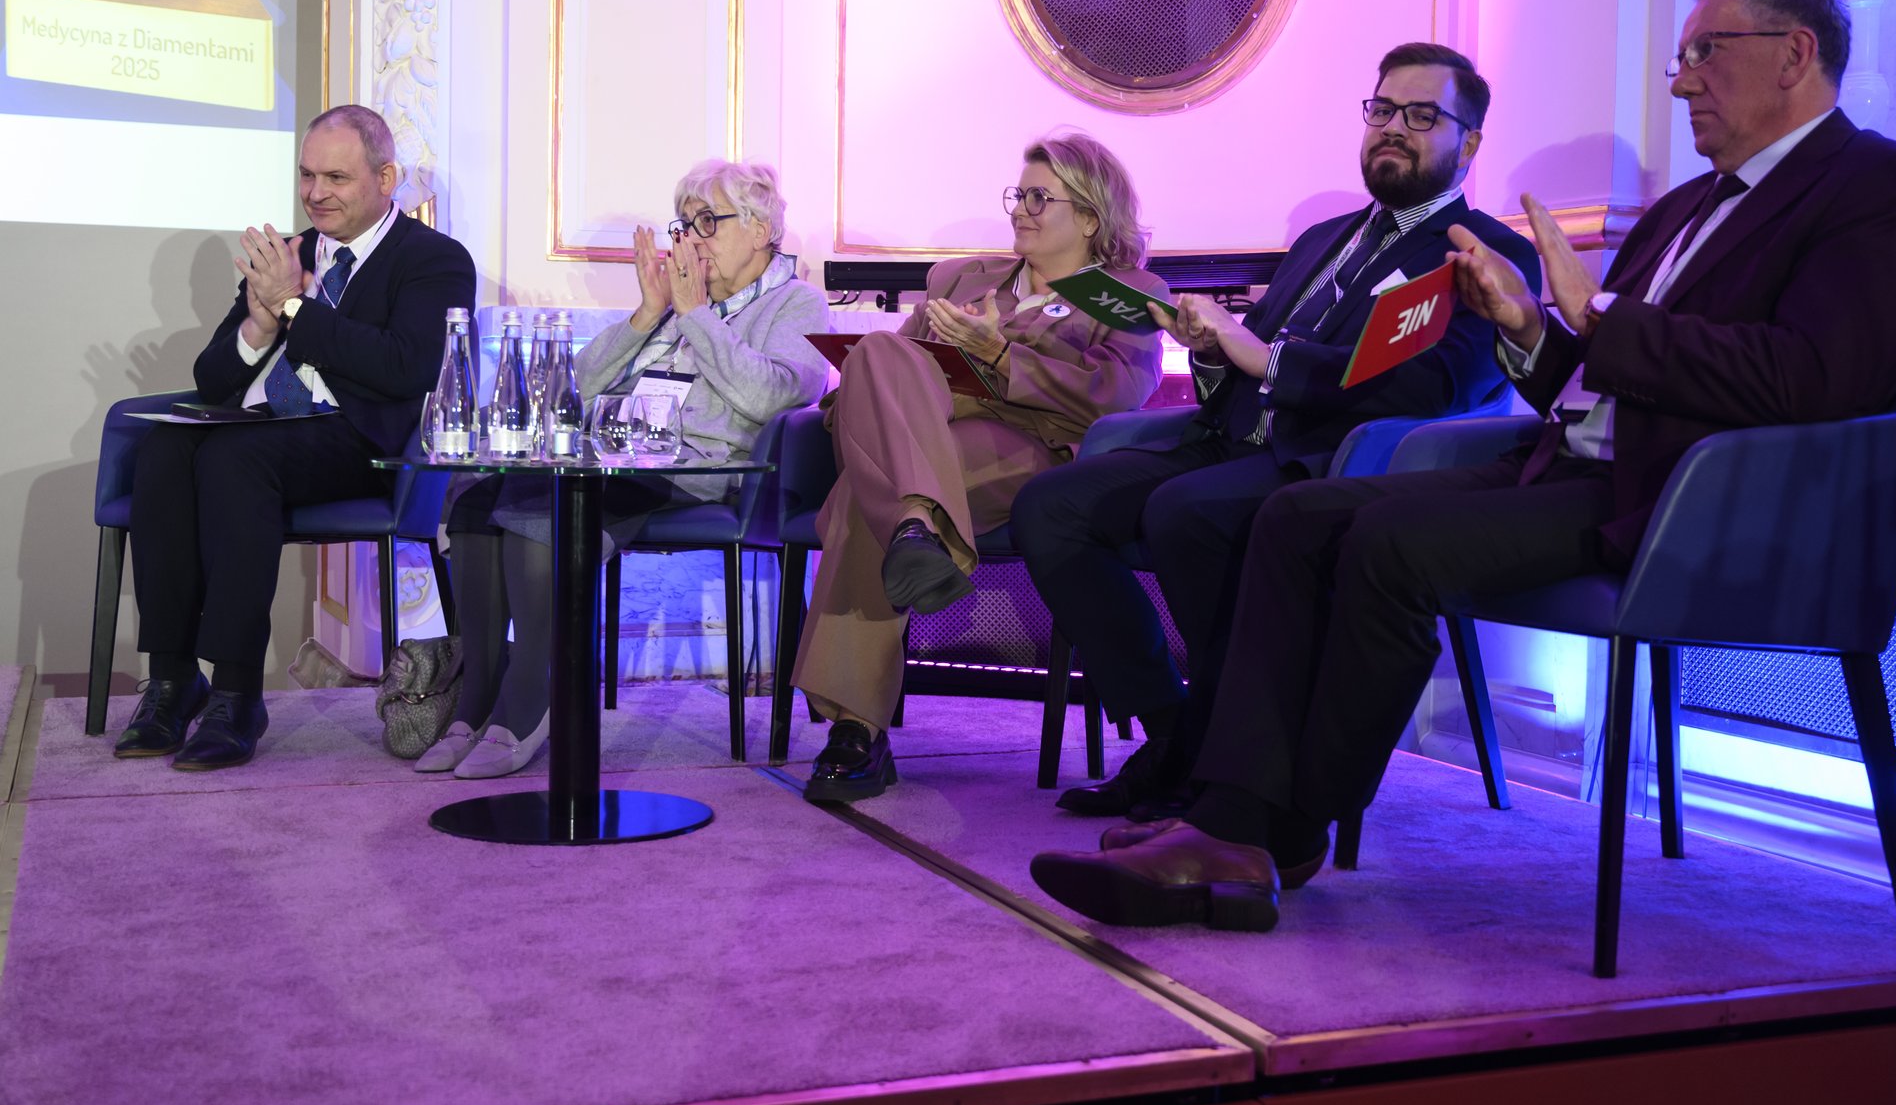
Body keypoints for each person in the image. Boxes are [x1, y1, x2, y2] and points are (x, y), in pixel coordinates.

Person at [1027, 0, 1896, 931]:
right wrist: (1525, 327)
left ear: (1793, 54)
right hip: (1570, 464)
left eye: (1703, 53)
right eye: (1680, 59)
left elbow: (1814, 378)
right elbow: (1588, 379)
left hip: (1690, 499)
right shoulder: (1686, 206)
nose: (1681, 82)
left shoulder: (1879, 186)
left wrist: (1597, 316)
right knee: (1296, 518)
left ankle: (1263, 824)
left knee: (1385, 545)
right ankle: (1246, 820)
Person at [1011, 44, 1539, 821]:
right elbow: (1242, 350)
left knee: (1186, 512)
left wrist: (1271, 359)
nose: (1394, 127)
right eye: (1383, 109)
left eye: (1423, 115)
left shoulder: (1486, 253)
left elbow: (1437, 386)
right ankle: (1174, 729)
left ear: (1470, 143)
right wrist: (1207, 347)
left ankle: (1219, 759)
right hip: (1226, 440)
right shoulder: (1322, 239)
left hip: (1330, 462)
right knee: (1049, 507)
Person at [420, 160, 830, 777]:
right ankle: (475, 702)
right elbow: (568, 392)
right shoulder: (677, 301)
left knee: (539, 510)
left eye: (708, 222)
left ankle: (528, 701)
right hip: (619, 452)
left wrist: (695, 317)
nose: (690, 240)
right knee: (478, 497)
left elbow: (773, 396)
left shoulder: (794, 303)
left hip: (697, 468)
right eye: (683, 225)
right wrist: (647, 314)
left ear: (759, 228)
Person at [796, 132, 1168, 803]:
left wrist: (999, 356)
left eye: (1038, 198)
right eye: (1017, 195)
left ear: (1090, 216)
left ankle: (856, 729)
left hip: (1031, 446)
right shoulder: (960, 278)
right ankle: (916, 525)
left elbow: (1117, 394)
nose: (1019, 209)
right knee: (878, 352)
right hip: (926, 433)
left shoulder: (1126, 293)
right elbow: (884, 371)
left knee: (859, 495)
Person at [114, 105, 477, 770]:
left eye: (335, 177)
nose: (315, 193)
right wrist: (257, 326)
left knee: (232, 458)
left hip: (359, 442)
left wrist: (291, 307)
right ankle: (172, 679)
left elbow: (409, 366)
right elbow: (211, 379)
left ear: (385, 178)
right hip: (262, 428)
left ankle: (235, 695)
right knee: (163, 448)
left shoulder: (434, 260)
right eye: (307, 175)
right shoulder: (289, 254)